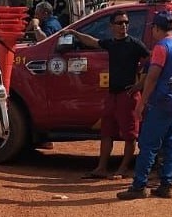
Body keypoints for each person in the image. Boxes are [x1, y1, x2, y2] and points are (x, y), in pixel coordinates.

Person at [63, 12, 150, 180]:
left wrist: (140, 84)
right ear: (112, 26)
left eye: (126, 22)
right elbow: (93, 42)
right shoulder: (111, 43)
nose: (123, 25)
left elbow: (152, 61)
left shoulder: (135, 44)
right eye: (119, 23)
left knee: (130, 135)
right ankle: (101, 168)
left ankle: (122, 169)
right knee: (106, 132)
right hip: (113, 95)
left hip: (128, 95)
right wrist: (74, 33)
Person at [118, 9, 172, 200]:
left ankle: (139, 185)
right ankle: (167, 184)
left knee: (148, 143)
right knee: (171, 144)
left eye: (153, 29)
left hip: (161, 101)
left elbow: (153, 77)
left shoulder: (161, 47)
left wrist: (142, 102)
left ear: (157, 28)